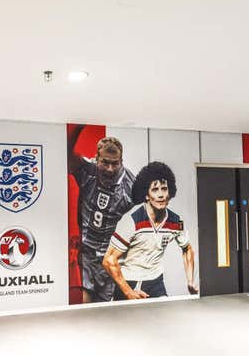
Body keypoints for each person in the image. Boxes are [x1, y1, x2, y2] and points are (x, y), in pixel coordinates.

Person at [103, 161, 198, 300]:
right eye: (155, 190)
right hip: (129, 282)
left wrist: (190, 280)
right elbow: (108, 260)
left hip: (155, 282)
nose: (161, 195)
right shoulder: (132, 221)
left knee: (164, 312)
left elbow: (187, 249)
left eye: (164, 189)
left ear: (170, 192)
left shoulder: (177, 221)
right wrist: (128, 292)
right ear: (146, 195)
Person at [68, 126, 135, 302]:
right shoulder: (87, 170)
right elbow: (65, 155)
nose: (110, 169)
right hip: (88, 253)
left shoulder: (131, 186)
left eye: (115, 163)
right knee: (85, 303)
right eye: (105, 162)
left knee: (104, 307)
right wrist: (77, 127)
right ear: (96, 158)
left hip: (112, 256)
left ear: (121, 161)